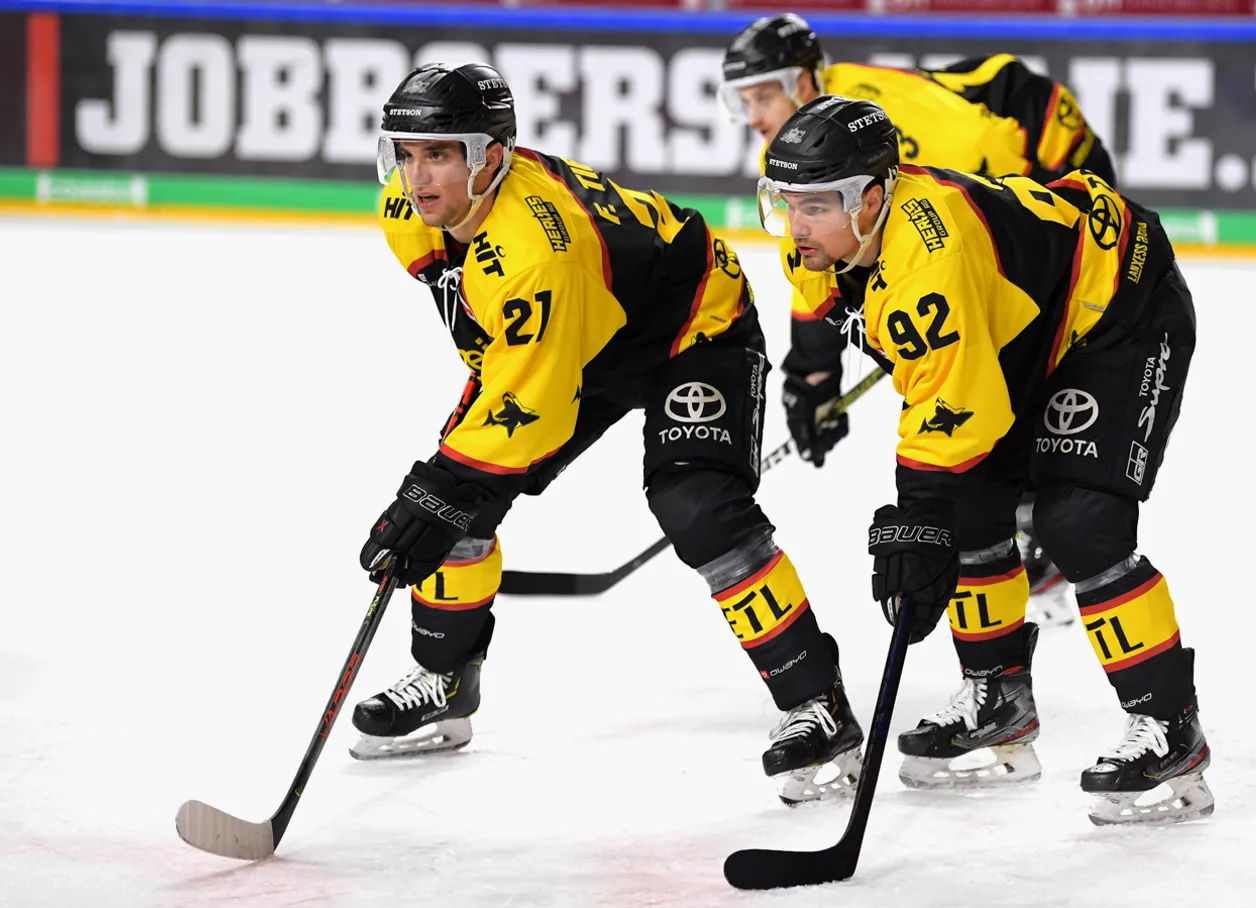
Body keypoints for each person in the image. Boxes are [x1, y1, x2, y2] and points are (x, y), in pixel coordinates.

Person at [347, 62, 863, 807]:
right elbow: (501, 344)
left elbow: (537, 403)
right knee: (459, 496)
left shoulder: (536, 250)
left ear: (491, 156)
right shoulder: (408, 208)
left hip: (691, 326)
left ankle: (817, 701)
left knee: (699, 507)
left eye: (440, 154)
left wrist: (449, 481)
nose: (417, 175)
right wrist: (454, 482)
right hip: (581, 329)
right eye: (406, 153)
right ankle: (445, 677)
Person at [756, 94, 1211, 826]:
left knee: (1078, 522)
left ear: (870, 199)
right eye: (785, 202)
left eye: (815, 206)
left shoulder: (931, 261)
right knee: (969, 509)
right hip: (1019, 323)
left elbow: (954, 412)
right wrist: (813, 377)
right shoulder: (816, 242)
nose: (795, 225)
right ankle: (997, 698)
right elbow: (835, 309)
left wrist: (918, 518)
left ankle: (1171, 726)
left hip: (1114, 303)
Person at [722, 13, 1117, 625]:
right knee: (963, 365)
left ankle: (1037, 524)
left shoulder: (902, 128)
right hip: (979, 193)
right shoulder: (804, 148)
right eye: (741, 101)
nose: (753, 117)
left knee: (1006, 362)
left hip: (1046, 161)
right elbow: (825, 260)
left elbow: (997, 195)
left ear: (803, 82)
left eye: (762, 96)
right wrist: (813, 371)